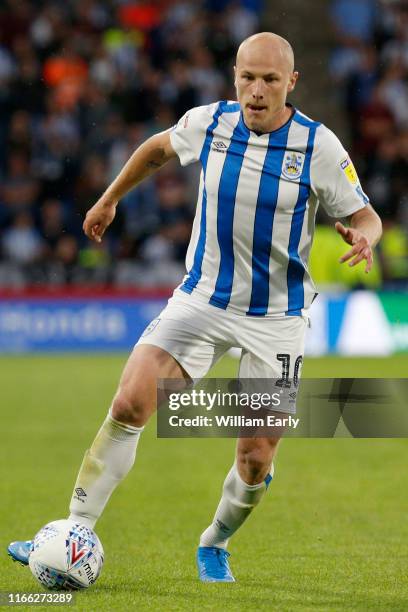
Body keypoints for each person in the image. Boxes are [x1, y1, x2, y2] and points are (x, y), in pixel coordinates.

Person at [8, 32, 382, 582]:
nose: (256, 91)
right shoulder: (210, 121)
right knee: (132, 399)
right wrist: (110, 198)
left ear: (291, 83)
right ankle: (74, 529)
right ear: (234, 75)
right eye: (247, 77)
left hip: (277, 318)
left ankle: (215, 541)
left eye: (270, 80)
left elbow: (365, 211)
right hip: (201, 300)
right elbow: (157, 150)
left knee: (255, 457)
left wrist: (366, 236)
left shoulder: (318, 146)